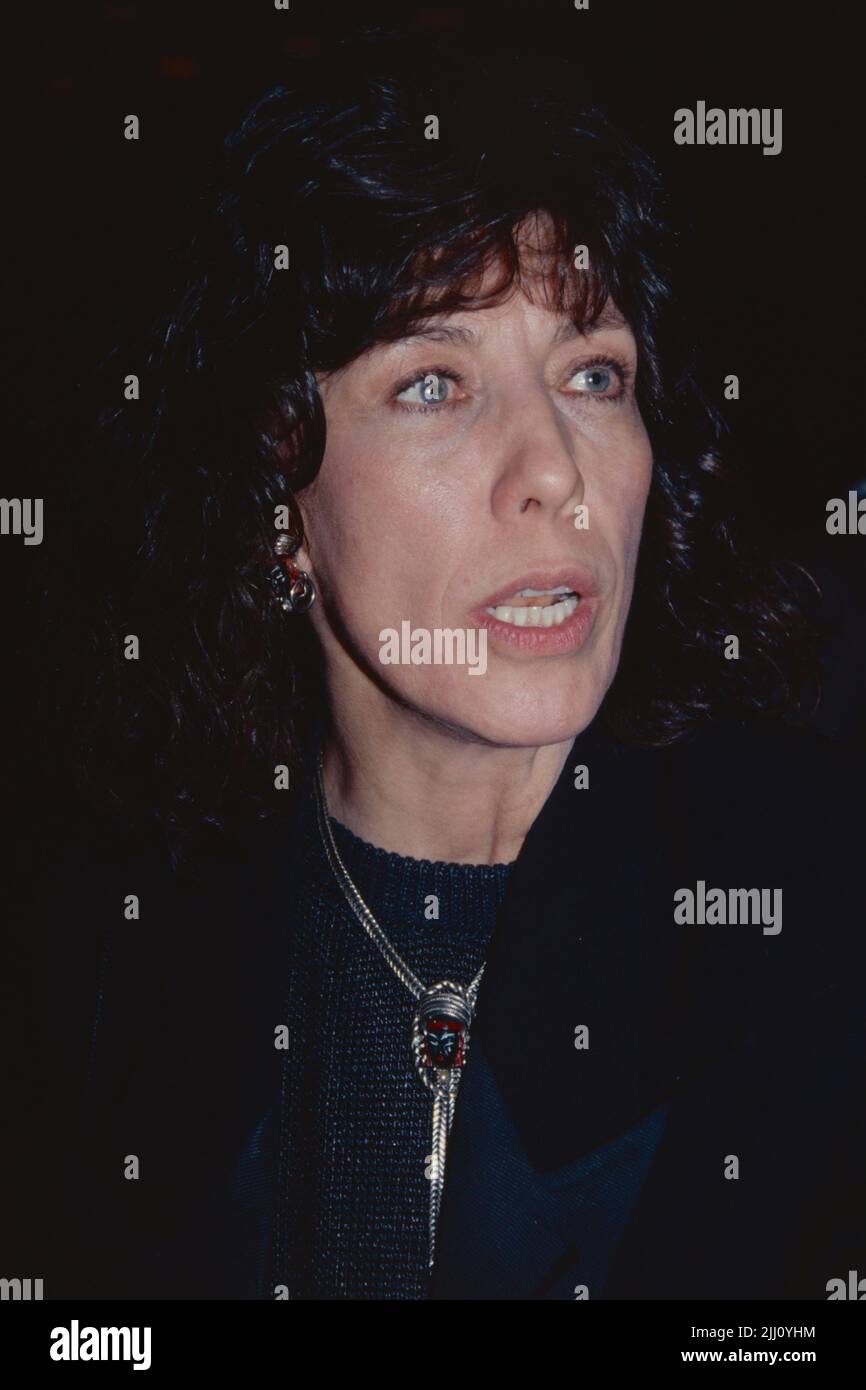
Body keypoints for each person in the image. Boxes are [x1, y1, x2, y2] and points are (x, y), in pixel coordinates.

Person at [4, 35, 864, 1302]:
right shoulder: (82, 950)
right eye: (431, 384)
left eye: (591, 374)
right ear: (271, 506)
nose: (555, 470)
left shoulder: (820, 920)